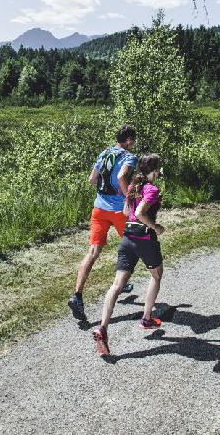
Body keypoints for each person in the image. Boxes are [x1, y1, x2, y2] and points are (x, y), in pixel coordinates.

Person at [92, 153, 165, 356]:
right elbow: (140, 213)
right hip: (144, 240)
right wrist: (155, 226)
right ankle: (146, 318)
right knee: (156, 275)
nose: (160, 171)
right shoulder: (152, 189)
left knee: (117, 285)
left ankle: (103, 328)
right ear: (154, 170)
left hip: (127, 240)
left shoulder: (133, 187)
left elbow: (125, 212)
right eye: (159, 168)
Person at [67, 124, 138, 321]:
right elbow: (122, 176)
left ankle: (77, 295)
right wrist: (128, 197)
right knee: (133, 246)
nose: (134, 143)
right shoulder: (129, 157)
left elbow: (92, 179)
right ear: (129, 140)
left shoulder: (104, 153)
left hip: (99, 209)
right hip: (118, 211)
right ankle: (121, 282)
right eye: (133, 139)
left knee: (93, 252)